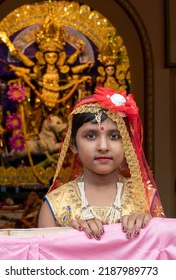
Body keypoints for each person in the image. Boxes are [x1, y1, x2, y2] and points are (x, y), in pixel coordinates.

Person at [38, 87, 165, 240]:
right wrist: (67, 237)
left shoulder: (146, 199)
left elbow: (162, 253)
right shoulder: (55, 204)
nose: (103, 146)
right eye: (91, 135)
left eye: (114, 136)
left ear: (127, 143)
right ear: (73, 144)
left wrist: (148, 228)